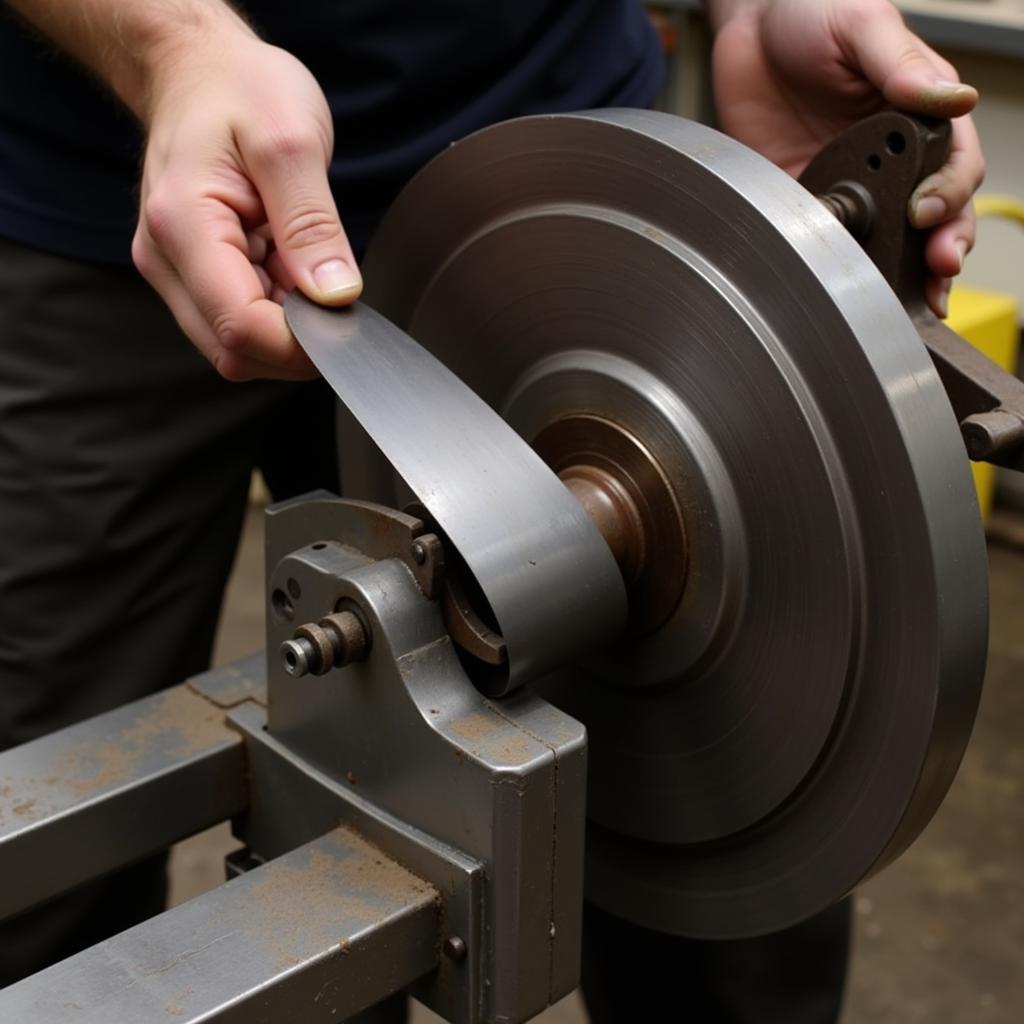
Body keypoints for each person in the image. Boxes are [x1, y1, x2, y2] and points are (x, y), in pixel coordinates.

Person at [0, 0, 984, 1018]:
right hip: (120, 193)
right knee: (56, 830)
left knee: (748, 845)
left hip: (554, 180)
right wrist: (168, 46)